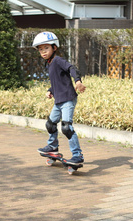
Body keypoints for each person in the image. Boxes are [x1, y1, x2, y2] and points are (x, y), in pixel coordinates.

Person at [32, 31, 86, 164]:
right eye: (40, 49)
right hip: (59, 100)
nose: (43, 51)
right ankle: (53, 147)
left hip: (67, 99)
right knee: (50, 124)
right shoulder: (50, 63)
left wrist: (77, 81)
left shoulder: (58, 60)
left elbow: (72, 68)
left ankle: (77, 155)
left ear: (54, 47)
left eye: (46, 48)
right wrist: (50, 90)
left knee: (66, 127)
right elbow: (57, 81)